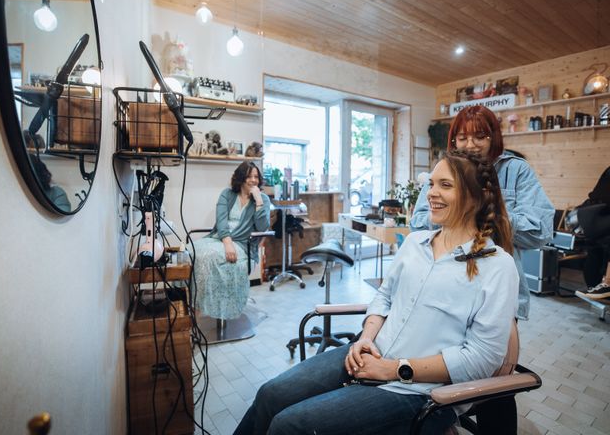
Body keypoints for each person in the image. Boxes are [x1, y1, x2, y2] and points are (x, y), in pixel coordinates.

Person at [234, 151, 519, 435]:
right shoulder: (415, 242)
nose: (431, 193)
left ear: (476, 197)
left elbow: (481, 359)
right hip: (369, 355)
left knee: (289, 426)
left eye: (445, 185)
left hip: (418, 392)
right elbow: (384, 297)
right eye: (431, 184)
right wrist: (366, 340)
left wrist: (393, 369)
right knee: (270, 394)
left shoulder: (497, 267)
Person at [410, 105, 554, 434]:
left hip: (496, 288)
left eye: (480, 136)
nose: (470, 144)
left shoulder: (515, 171)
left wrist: (482, 209)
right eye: (461, 137)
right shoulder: (444, 169)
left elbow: (540, 229)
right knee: (437, 362)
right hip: (443, 285)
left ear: (495, 137)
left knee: (497, 381)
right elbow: (420, 222)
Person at [193, 161, 271, 320]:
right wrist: (227, 243)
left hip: (244, 244)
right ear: (241, 178)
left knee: (210, 257)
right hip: (220, 239)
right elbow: (221, 221)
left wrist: (259, 202)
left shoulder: (262, 199)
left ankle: (216, 310)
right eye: (249, 176)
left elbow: (263, 227)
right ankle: (195, 305)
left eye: (256, 176)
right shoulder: (227, 194)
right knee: (190, 252)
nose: (253, 180)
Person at [574, 166, 610, 299]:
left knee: (595, 251)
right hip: (601, 215)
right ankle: (605, 285)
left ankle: (599, 286)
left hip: (595, 218)